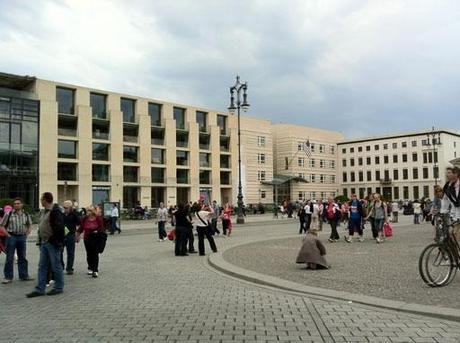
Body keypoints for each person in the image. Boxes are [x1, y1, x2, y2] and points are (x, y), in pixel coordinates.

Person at [26, 192, 65, 297]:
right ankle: (40, 288)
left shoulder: (55, 211)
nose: (40, 201)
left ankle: (59, 287)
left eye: (41, 199)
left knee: (56, 265)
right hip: (44, 243)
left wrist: (52, 240)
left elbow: (59, 228)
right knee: (42, 266)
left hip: (52, 243)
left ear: (46, 200)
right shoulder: (44, 212)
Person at [0, 198, 34, 284]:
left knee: (22, 257)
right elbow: (2, 226)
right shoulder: (9, 214)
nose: (16, 205)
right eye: (15, 204)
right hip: (12, 237)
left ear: (22, 204)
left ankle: (24, 275)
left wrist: (26, 234)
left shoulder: (26, 214)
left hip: (22, 237)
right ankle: (8, 277)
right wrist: (8, 235)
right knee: (9, 258)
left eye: (18, 203)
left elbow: (30, 225)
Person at [76, 206, 105, 278]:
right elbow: (81, 228)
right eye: (87, 211)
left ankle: (95, 270)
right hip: (87, 238)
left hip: (95, 238)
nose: (87, 212)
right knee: (89, 253)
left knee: (95, 254)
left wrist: (97, 231)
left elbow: (101, 229)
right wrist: (77, 236)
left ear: (93, 211)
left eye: (89, 211)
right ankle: (90, 267)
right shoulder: (85, 219)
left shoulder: (98, 219)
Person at [441, 167, 460, 240]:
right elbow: (445, 200)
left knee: (456, 234)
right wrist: (442, 212)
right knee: (452, 235)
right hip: (456, 216)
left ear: (455, 174)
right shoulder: (447, 186)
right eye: (446, 173)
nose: (447, 175)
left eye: (449, 173)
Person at [62, 200, 80, 275]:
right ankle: (61, 266)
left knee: (70, 253)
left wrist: (78, 235)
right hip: (62, 235)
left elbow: (79, 225)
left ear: (70, 208)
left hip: (71, 235)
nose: (65, 209)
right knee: (59, 252)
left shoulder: (74, 215)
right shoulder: (61, 214)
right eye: (64, 207)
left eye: (66, 208)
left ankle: (69, 268)